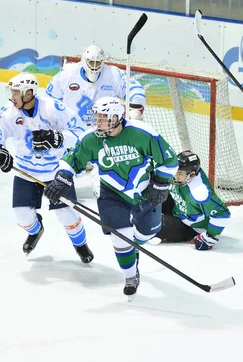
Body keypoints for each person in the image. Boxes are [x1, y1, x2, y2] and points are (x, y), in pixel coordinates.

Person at [43, 96, 178, 297]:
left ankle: (135, 248)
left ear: (117, 117)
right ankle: (131, 276)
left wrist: (161, 182)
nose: (99, 122)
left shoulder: (143, 133)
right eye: (97, 117)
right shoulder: (90, 139)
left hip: (144, 191)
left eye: (104, 118)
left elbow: (170, 159)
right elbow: (72, 160)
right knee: (120, 237)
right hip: (111, 193)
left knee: (149, 231)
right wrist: (63, 177)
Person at [0, 72, 94, 263]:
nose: (12, 96)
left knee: (67, 214)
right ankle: (36, 231)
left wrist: (57, 138)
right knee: (22, 216)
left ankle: (81, 245)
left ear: (29, 93)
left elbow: (80, 132)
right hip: (26, 171)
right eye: (12, 92)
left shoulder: (53, 108)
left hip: (56, 171)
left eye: (17, 92)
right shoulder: (8, 112)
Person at [45, 43, 147, 125]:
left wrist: (135, 110)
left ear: (102, 62)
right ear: (84, 60)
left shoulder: (113, 74)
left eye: (97, 62)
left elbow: (136, 89)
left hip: (105, 130)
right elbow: (49, 99)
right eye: (91, 62)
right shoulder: (67, 73)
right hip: (74, 129)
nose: (94, 66)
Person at [156, 151, 231, 251]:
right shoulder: (181, 175)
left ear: (192, 174)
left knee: (150, 226)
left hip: (191, 227)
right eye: (175, 172)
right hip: (179, 208)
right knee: (152, 195)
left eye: (180, 174)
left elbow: (222, 213)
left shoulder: (200, 192)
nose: (175, 177)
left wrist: (208, 237)